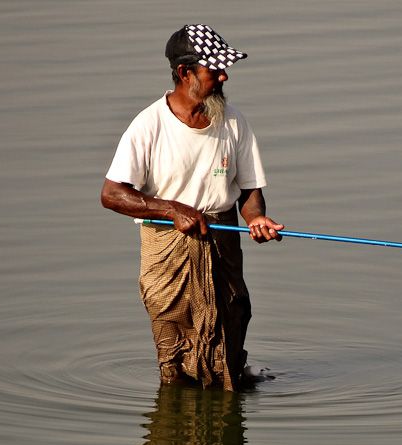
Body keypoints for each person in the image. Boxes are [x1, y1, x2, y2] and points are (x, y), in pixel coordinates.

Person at [101, 24, 283, 391]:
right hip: (167, 246)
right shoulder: (148, 125)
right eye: (213, 70)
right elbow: (112, 194)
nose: (223, 76)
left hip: (222, 239)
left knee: (230, 325)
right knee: (174, 344)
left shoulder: (234, 122)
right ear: (185, 73)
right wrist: (171, 210)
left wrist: (256, 218)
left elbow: (249, 190)